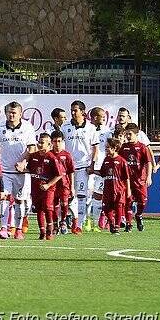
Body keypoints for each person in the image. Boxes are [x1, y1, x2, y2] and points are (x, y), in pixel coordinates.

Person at [0, 101, 36, 239]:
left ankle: (18, 229)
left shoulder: (28, 127)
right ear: (5, 113)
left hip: (22, 172)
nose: (11, 115)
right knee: (4, 198)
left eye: (14, 113)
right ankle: (4, 228)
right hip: (5, 172)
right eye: (9, 112)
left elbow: (32, 148)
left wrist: (24, 162)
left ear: (20, 114)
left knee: (19, 201)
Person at [61, 100, 99, 233]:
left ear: (83, 112)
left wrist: (92, 165)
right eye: (71, 110)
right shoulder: (65, 127)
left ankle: (79, 225)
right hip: (67, 168)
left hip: (84, 167)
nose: (72, 112)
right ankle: (68, 220)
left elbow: (95, 149)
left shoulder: (91, 128)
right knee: (68, 196)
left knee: (82, 196)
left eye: (75, 110)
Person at [22, 133, 64, 241]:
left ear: (49, 144)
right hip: (35, 188)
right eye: (39, 142)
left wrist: (48, 185)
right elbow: (30, 169)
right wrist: (21, 169)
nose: (40, 144)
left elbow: (59, 174)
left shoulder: (52, 157)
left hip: (48, 189)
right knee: (38, 209)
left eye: (42, 143)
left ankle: (50, 231)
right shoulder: (34, 156)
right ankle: (42, 232)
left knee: (47, 207)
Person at [119, 124, 153, 232]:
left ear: (136, 134)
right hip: (127, 181)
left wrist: (149, 176)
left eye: (130, 134)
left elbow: (148, 163)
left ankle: (138, 215)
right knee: (127, 201)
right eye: (126, 134)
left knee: (143, 202)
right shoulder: (123, 147)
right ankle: (129, 223)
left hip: (140, 180)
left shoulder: (142, 147)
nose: (128, 136)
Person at [99, 138, 132, 234]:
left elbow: (126, 177)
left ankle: (116, 227)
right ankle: (111, 222)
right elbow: (102, 173)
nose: (106, 149)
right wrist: (92, 171)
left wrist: (128, 190)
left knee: (118, 208)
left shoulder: (122, 161)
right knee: (106, 209)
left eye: (108, 147)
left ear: (114, 148)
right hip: (108, 189)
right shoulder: (106, 160)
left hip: (119, 190)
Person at [50, 130, 75, 235]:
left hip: (64, 184)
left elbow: (71, 171)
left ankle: (63, 222)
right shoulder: (49, 154)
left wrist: (72, 187)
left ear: (63, 141)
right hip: (53, 184)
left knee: (64, 204)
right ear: (51, 142)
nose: (57, 143)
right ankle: (55, 224)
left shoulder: (67, 155)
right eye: (55, 141)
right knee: (53, 205)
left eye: (59, 141)